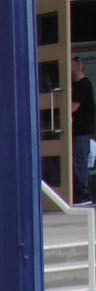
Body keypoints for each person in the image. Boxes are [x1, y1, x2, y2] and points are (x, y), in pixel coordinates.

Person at [72, 57, 93, 205]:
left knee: (79, 162)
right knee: (78, 161)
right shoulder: (77, 85)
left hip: (81, 131)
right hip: (78, 131)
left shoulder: (83, 84)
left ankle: (83, 194)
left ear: (77, 66)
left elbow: (74, 106)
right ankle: (80, 193)